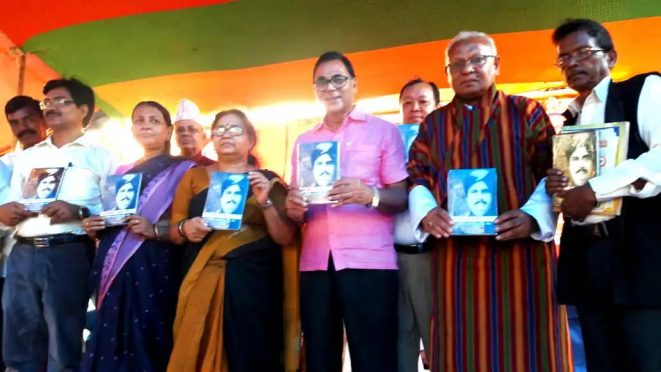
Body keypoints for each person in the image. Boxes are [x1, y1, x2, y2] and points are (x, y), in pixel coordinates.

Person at [407, 32, 571, 372]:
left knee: (532, 349)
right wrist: (427, 214)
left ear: (495, 65)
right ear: (448, 71)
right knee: (461, 348)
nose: (467, 69)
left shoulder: (527, 111)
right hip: (455, 262)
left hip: (521, 258)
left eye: (477, 60)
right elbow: (417, 175)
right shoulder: (434, 124)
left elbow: (553, 171)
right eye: (458, 64)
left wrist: (531, 217)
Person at [544, 19, 661, 372]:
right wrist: (560, 191)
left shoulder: (644, 90)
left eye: (583, 52)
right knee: (601, 359)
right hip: (588, 260)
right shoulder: (570, 122)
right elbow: (572, 200)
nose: (573, 63)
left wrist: (591, 190)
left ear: (610, 57)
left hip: (638, 259)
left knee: (645, 358)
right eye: (564, 58)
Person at [286, 51, 408, 372]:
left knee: (374, 357)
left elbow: (402, 195)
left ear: (354, 84)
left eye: (338, 78)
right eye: (322, 81)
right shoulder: (304, 142)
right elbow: (297, 206)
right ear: (315, 89)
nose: (331, 87)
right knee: (320, 357)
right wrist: (294, 207)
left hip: (369, 262)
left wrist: (370, 195)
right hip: (316, 264)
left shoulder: (383, 131)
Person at [167, 109, 299, 372]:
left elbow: (285, 237)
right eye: (220, 130)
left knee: (253, 351)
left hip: (255, 284)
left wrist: (265, 203)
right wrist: (186, 227)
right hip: (203, 276)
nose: (226, 134)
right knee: (196, 345)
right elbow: (174, 230)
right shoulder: (194, 177)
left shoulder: (268, 180)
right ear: (212, 139)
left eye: (235, 129)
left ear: (251, 139)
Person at [0, 78, 115, 371]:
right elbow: (10, 201)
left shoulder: (101, 156)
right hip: (23, 253)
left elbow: (115, 211)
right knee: (19, 339)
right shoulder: (28, 157)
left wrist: (79, 210)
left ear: (83, 110)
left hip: (69, 252)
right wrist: (5, 210)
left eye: (60, 100)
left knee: (63, 343)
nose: (50, 106)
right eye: (47, 102)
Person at [80, 101, 194, 372]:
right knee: (110, 328)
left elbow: (187, 220)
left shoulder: (185, 170)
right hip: (115, 263)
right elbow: (113, 218)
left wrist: (154, 228)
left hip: (156, 261)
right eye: (139, 120)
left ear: (168, 131)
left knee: (149, 330)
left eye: (154, 120)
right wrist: (95, 226)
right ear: (132, 129)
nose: (145, 125)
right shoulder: (120, 173)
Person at [394, 78, 440, 372]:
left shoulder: (447, 143)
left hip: (431, 256)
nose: (415, 108)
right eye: (407, 103)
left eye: (423, 102)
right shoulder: (390, 144)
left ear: (436, 106)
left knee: (437, 340)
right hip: (391, 257)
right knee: (400, 342)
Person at [0, 95, 48, 371]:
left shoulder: (66, 157)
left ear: (42, 119)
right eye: (15, 122)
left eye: (29, 119)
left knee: (55, 343)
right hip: (10, 269)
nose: (23, 127)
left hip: (59, 259)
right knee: (16, 347)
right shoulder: (5, 165)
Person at [173, 98, 214, 165]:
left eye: (192, 130)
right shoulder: (166, 169)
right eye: (180, 130)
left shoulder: (214, 168)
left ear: (203, 136)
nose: (185, 133)